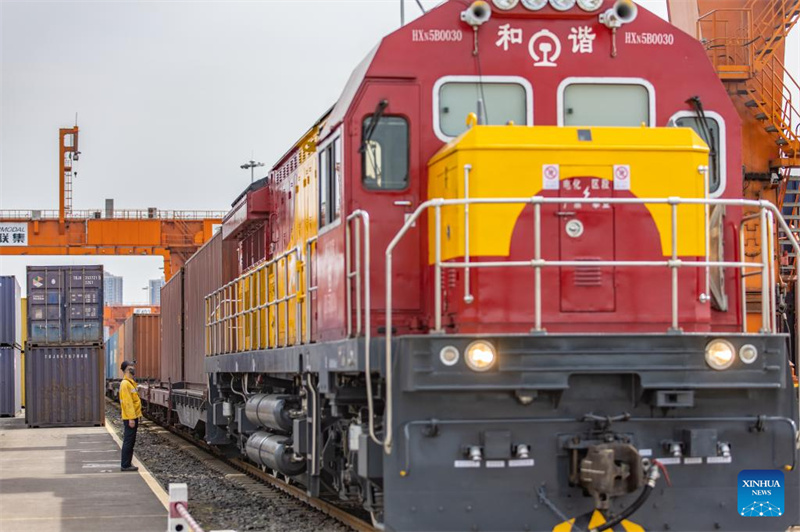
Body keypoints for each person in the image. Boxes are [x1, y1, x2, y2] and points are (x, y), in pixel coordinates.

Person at [119, 360, 142, 472]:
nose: (133, 368)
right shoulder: (125, 384)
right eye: (131, 367)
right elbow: (128, 403)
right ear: (127, 369)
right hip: (130, 418)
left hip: (132, 417)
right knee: (128, 441)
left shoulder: (130, 382)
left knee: (131, 441)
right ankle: (125, 465)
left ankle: (127, 463)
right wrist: (131, 418)